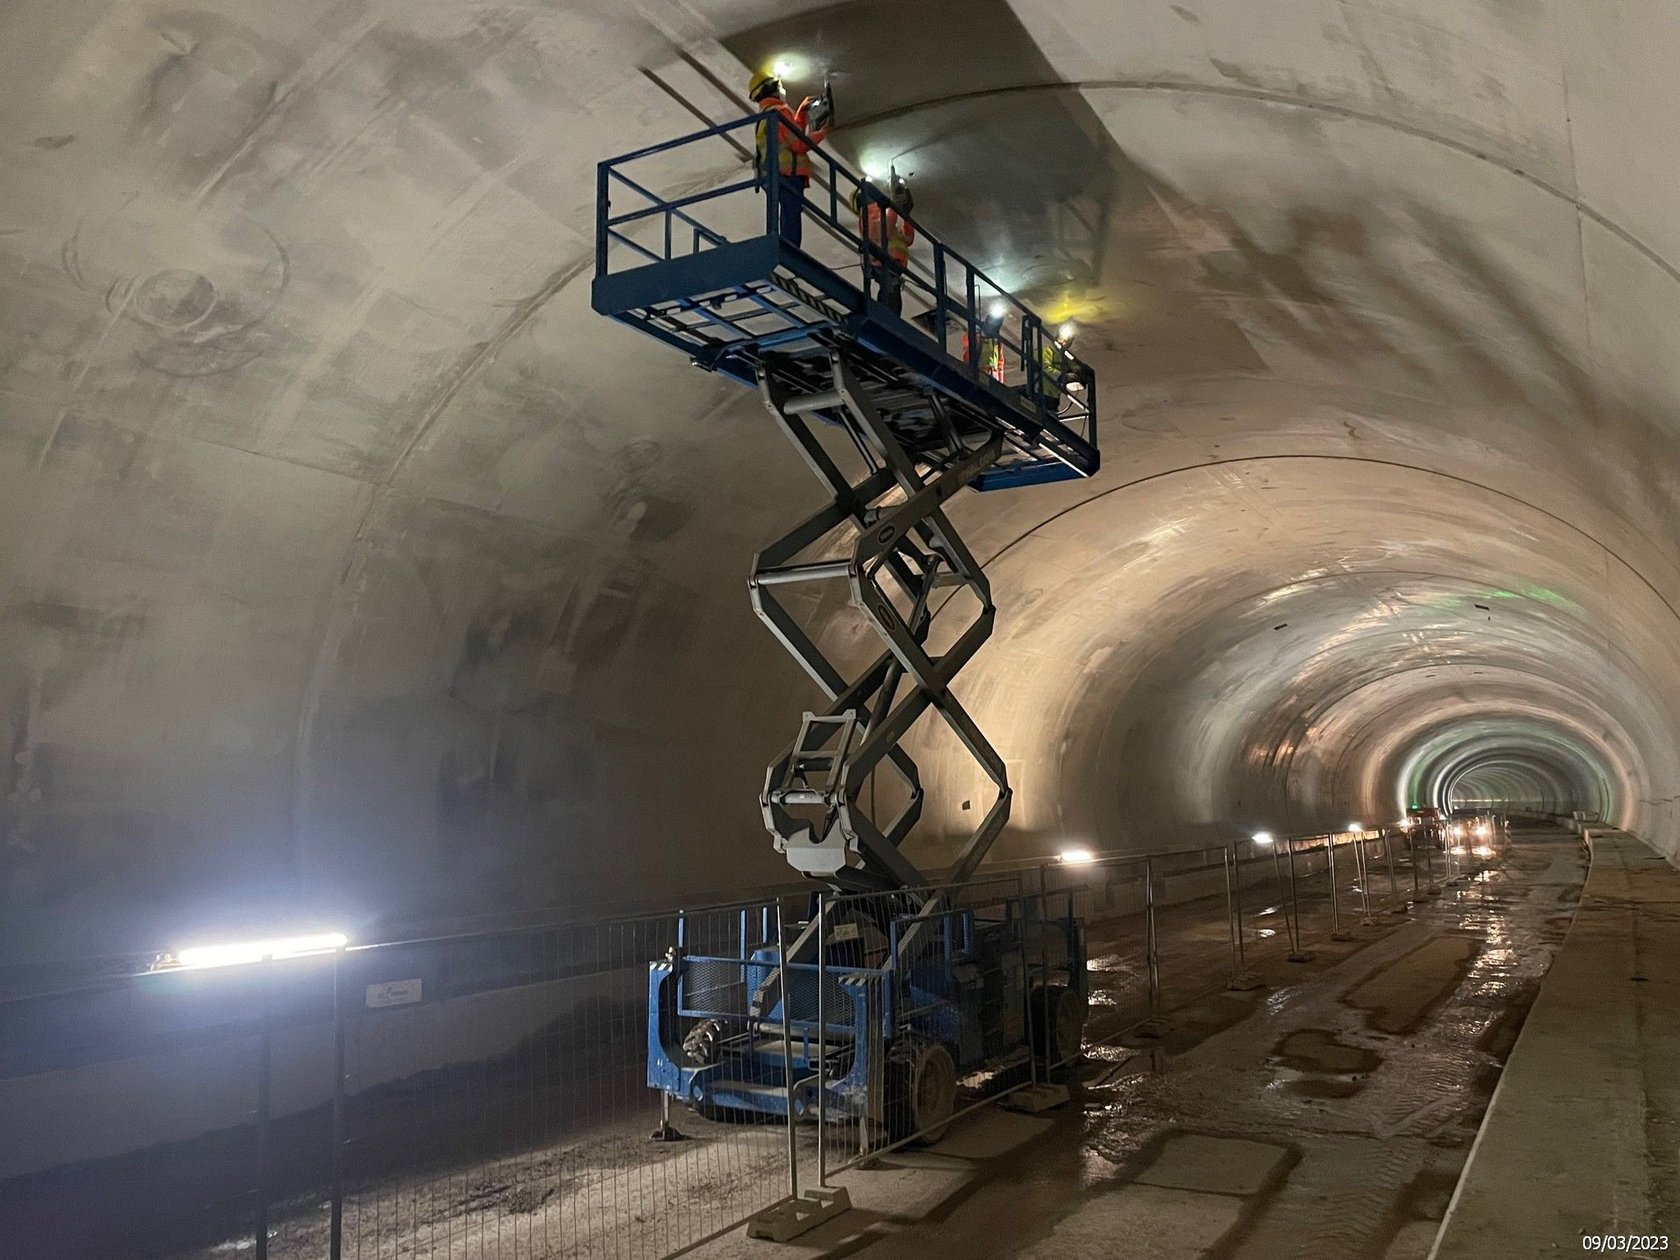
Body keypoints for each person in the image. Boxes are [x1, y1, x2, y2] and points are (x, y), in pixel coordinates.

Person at [751, 69, 830, 250]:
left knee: (785, 215)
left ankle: (785, 249)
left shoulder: (766, 115)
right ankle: (790, 251)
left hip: (773, 175)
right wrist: (822, 132)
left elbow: (790, 136)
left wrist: (801, 114)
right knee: (791, 215)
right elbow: (799, 145)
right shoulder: (780, 111)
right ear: (772, 89)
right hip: (788, 175)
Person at [855, 172, 915, 315]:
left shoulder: (878, 217)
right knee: (890, 294)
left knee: (891, 294)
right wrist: (896, 207)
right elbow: (884, 230)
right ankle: (886, 319)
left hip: (890, 265)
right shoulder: (870, 217)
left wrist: (906, 215)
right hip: (883, 264)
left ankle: (887, 319)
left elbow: (908, 239)